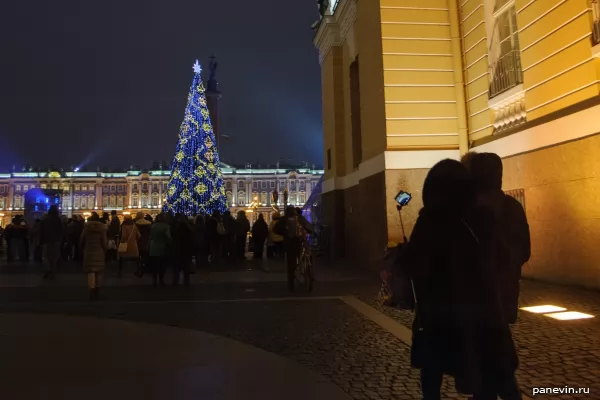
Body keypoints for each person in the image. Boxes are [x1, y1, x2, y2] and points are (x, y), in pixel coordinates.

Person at [401, 159, 520, 400]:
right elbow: (504, 258)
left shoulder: (430, 220)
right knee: (493, 371)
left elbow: (414, 265)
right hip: (483, 311)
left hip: (438, 313)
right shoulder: (482, 217)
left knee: (432, 373)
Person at [462, 152, 531, 325]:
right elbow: (524, 250)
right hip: (505, 290)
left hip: (472, 296)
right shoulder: (513, 207)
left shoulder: (464, 209)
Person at [273, 206, 312, 292]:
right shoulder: (300, 218)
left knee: (291, 264)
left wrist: (284, 233)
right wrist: (310, 232)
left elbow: (275, 229)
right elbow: (308, 226)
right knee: (306, 254)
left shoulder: (284, 219)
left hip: (290, 244)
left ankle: (291, 284)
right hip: (301, 242)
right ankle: (308, 272)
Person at [80, 212, 107, 301]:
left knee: (91, 271)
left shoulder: (86, 228)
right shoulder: (102, 229)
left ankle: (91, 289)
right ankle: (97, 289)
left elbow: (82, 239)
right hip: (99, 250)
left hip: (89, 250)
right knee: (98, 271)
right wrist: (105, 249)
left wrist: (81, 247)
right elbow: (104, 241)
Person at [40, 206, 64, 279]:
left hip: (46, 240)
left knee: (45, 256)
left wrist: (41, 241)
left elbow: (41, 231)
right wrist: (61, 240)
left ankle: (48, 269)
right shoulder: (58, 220)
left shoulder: (45, 220)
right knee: (54, 258)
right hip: (56, 241)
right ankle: (53, 273)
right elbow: (61, 231)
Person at [149, 213, 172, 287]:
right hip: (162, 247)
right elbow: (168, 237)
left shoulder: (153, 226)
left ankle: (154, 280)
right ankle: (161, 279)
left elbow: (150, 236)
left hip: (153, 247)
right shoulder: (166, 226)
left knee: (154, 265)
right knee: (162, 265)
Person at [172, 213, 194, 286]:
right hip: (186, 251)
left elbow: (174, 239)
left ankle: (175, 282)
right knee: (186, 268)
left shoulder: (176, 228)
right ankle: (186, 282)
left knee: (177, 268)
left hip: (178, 250)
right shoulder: (189, 229)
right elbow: (191, 240)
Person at [134, 211, 152, 277]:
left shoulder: (135, 224)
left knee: (138, 257)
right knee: (145, 257)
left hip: (138, 242)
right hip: (146, 242)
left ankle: (139, 269)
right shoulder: (149, 223)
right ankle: (145, 269)